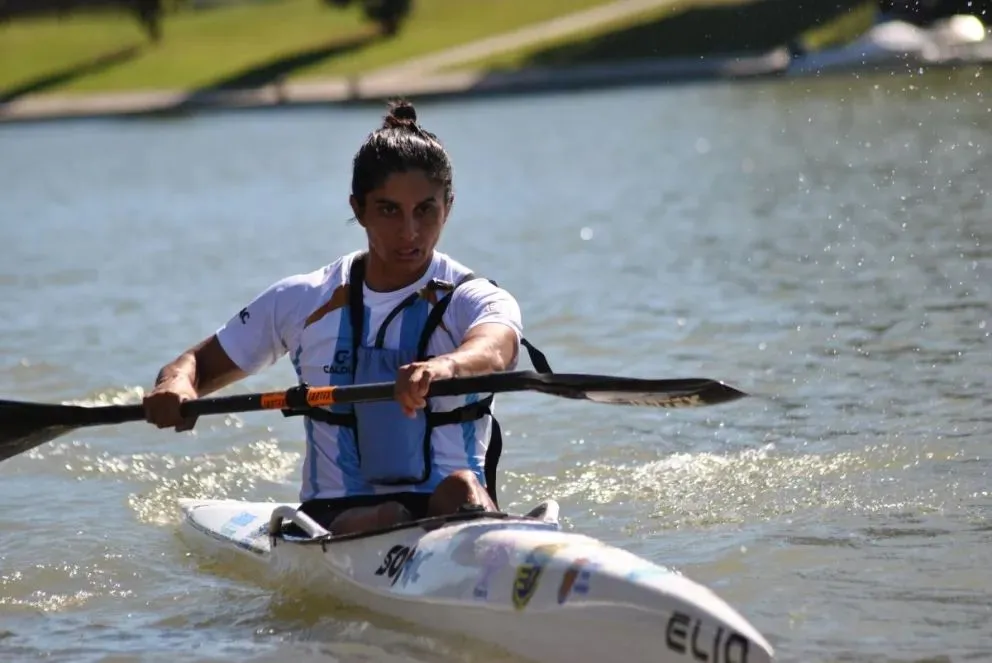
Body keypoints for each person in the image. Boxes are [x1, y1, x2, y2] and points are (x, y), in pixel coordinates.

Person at [142, 99, 550, 536]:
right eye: (389, 210)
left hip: (455, 509)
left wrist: (444, 367)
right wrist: (176, 386)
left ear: (447, 206)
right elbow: (195, 365)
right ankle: (409, 533)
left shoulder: (474, 297)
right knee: (390, 516)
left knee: (461, 487)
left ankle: (486, 542)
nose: (409, 232)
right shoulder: (303, 300)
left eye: (425, 210)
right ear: (358, 209)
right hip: (335, 519)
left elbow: (496, 348)